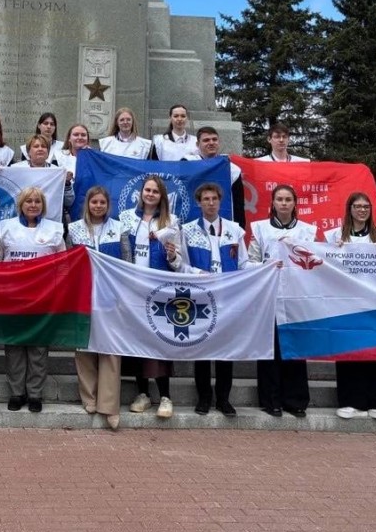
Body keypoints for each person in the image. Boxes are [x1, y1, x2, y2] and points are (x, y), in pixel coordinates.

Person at [120, 176, 186, 419]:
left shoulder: (172, 221)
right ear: (141, 192)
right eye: (147, 190)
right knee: (137, 341)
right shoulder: (127, 217)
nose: (150, 194)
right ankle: (143, 394)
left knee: (159, 342)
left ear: (162, 196)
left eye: (155, 191)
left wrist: (171, 256)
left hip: (160, 291)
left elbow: (179, 263)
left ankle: (165, 396)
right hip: (134, 290)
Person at [248, 184, 316, 418]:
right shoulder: (260, 228)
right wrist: (266, 267)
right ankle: (271, 400)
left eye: (288, 199)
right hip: (270, 296)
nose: (284, 203)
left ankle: (295, 400)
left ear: (295, 203)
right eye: (280, 199)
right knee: (270, 349)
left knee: (295, 349)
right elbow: (249, 262)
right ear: (273, 203)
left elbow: (315, 263)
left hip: (297, 297)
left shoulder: (308, 231)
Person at [0, 187, 66, 413]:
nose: (33, 205)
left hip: (42, 296)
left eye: (37, 201)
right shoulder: (6, 227)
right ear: (21, 205)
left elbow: (63, 264)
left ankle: (35, 393)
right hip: (12, 296)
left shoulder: (55, 229)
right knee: (14, 346)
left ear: (43, 205)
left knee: (38, 347)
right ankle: (17, 392)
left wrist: (57, 290)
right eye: (28, 201)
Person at [183, 181, 248, 418]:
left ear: (220, 202)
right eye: (206, 199)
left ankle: (223, 398)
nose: (211, 203)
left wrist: (267, 267)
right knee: (201, 349)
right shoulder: (187, 230)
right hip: (199, 297)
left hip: (227, 297)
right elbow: (181, 264)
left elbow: (243, 263)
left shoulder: (234, 230)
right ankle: (203, 397)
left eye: (215, 199)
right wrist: (198, 274)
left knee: (224, 350)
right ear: (199, 203)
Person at [325, 191, 376, 421]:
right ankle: (348, 401)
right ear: (349, 209)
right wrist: (335, 250)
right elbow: (324, 264)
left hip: (372, 303)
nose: (362, 210)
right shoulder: (334, 235)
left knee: (372, 353)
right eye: (357, 206)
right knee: (347, 352)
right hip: (344, 302)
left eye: (366, 206)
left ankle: (373, 401)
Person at [68, 186, 130, 430]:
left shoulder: (118, 228)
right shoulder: (74, 229)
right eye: (94, 202)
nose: (98, 206)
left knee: (111, 351)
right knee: (83, 348)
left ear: (108, 205)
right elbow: (67, 264)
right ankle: (89, 398)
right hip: (82, 296)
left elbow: (127, 262)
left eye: (102, 202)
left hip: (110, 298)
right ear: (88, 204)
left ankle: (109, 405)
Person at [190, 126, 246, 228]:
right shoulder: (188, 165)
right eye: (206, 140)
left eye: (214, 139)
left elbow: (238, 205)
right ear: (198, 144)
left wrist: (240, 228)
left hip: (224, 226)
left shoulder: (233, 170)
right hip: (193, 224)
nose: (211, 143)